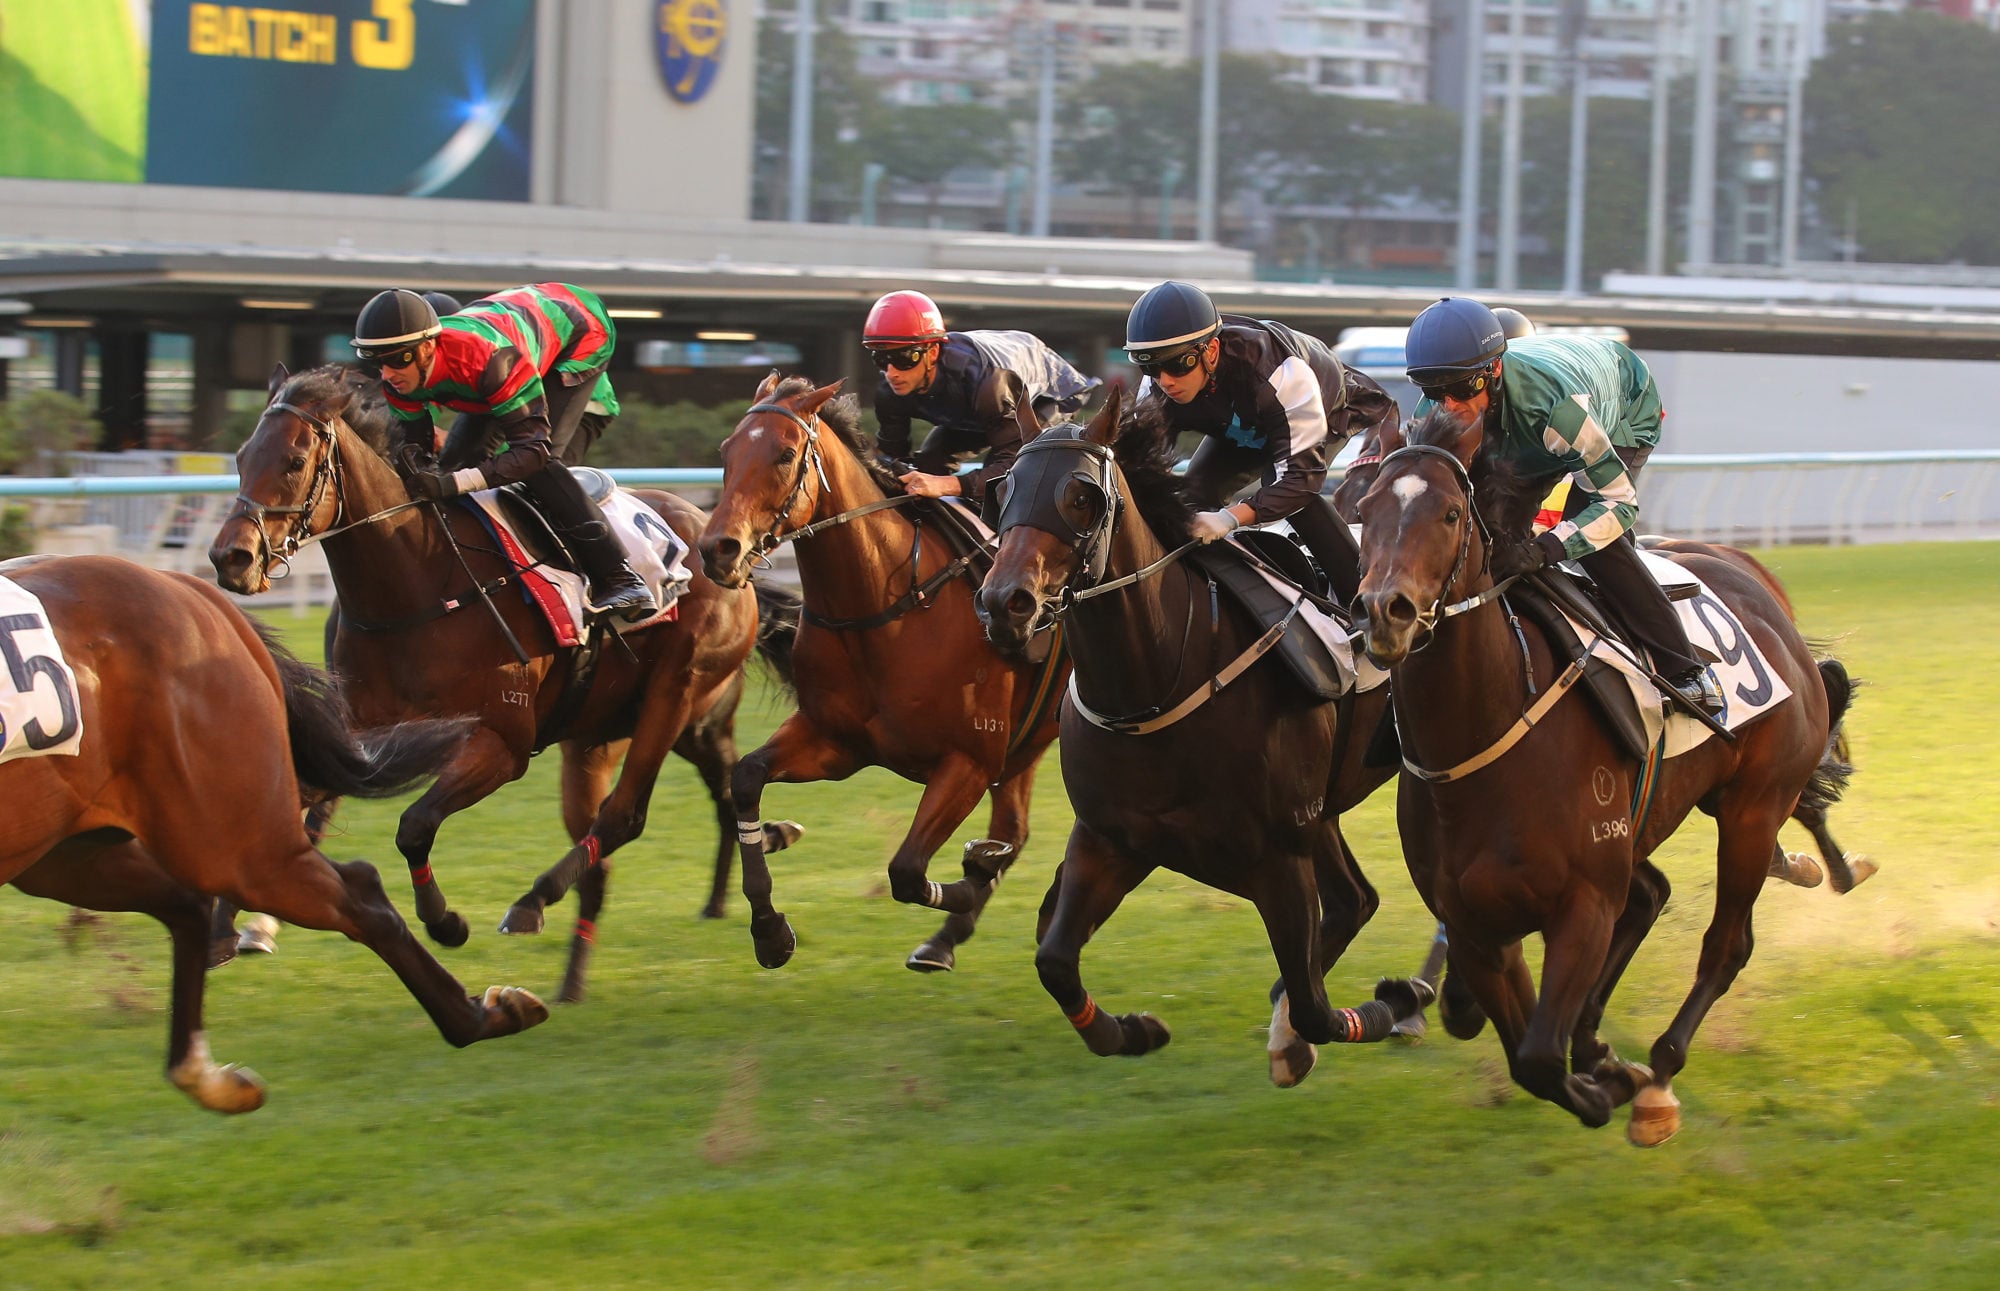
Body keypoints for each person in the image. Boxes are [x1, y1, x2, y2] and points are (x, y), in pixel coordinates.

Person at [1402, 296, 1723, 716]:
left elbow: (1619, 505)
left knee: (1589, 530)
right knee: (1488, 532)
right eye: (1434, 391)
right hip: (1527, 420)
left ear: (1493, 369)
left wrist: (1545, 549)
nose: (1450, 406)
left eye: (1462, 389)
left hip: (1623, 404)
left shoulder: (1556, 412)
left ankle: (1686, 671)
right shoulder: (1439, 408)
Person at [351, 284, 652, 621]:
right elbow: (416, 456)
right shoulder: (399, 379)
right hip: (503, 358)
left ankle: (620, 576)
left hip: (579, 335)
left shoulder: (491, 359)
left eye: (398, 359)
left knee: (537, 468)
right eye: (378, 361)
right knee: (451, 465)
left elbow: (532, 453)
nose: (387, 373)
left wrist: (455, 483)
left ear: (426, 347)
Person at [1124, 280, 1399, 604]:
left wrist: (1230, 518)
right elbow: (1134, 469)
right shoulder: (1157, 386)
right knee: (1191, 497)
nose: (1165, 380)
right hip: (1241, 421)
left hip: (1321, 408)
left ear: (1211, 351)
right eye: (1150, 366)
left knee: (1289, 493)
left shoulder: (1280, 371)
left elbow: (1300, 480)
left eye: (1176, 364)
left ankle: (1361, 601)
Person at [863, 290, 1100, 507]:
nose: (892, 372)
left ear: (933, 352)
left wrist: (946, 485)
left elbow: (1012, 468)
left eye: (905, 358)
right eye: (881, 359)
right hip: (982, 409)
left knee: (997, 489)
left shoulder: (988, 384)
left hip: (1051, 395)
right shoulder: (888, 392)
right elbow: (892, 461)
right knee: (928, 466)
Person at [422, 290, 617, 467]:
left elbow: (520, 445)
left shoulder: (479, 355)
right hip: (520, 387)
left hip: (582, 396)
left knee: (541, 469)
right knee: (458, 462)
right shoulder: (419, 370)